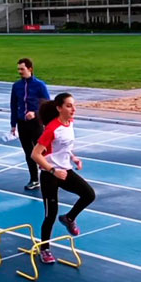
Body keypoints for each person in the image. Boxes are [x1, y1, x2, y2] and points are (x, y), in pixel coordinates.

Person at [30, 93, 95, 264]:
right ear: (59, 108)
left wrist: (73, 157)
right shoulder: (52, 129)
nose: (73, 109)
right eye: (69, 106)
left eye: (74, 105)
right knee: (50, 214)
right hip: (50, 174)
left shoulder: (70, 122)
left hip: (65, 170)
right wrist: (53, 171)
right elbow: (35, 154)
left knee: (89, 195)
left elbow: (63, 146)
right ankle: (44, 249)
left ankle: (69, 218)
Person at [9, 58, 49, 191]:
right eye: (18, 69)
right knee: (29, 153)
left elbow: (47, 104)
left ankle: (48, 176)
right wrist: (13, 124)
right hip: (22, 124)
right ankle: (34, 179)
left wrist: (35, 113)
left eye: (22, 69)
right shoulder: (16, 86)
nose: (20, 72)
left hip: (36, 124)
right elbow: (13, 105)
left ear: (30, 69)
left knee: (41, 152)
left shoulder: (40, 85)